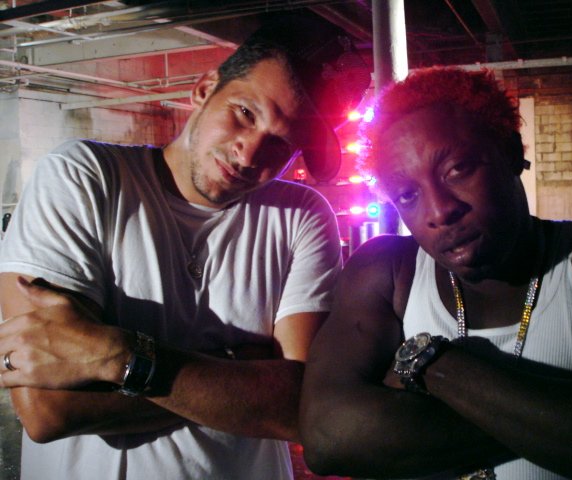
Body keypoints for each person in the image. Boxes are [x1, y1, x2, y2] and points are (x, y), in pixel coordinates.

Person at [0, 14, 368, 480]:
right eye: (245, 113)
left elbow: (301, 406)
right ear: (204, 88)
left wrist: (115, 354)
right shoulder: (83, 176)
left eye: (281, 144)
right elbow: (49, 409)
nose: (249, 153)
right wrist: (240, 375)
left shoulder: (300, 215)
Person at [299, 66, 572, 479]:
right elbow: (328, 439)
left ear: (511, 152)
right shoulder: (387, 271)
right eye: (407, 194)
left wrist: (435, 367)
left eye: (458, 169)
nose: (440, 211)